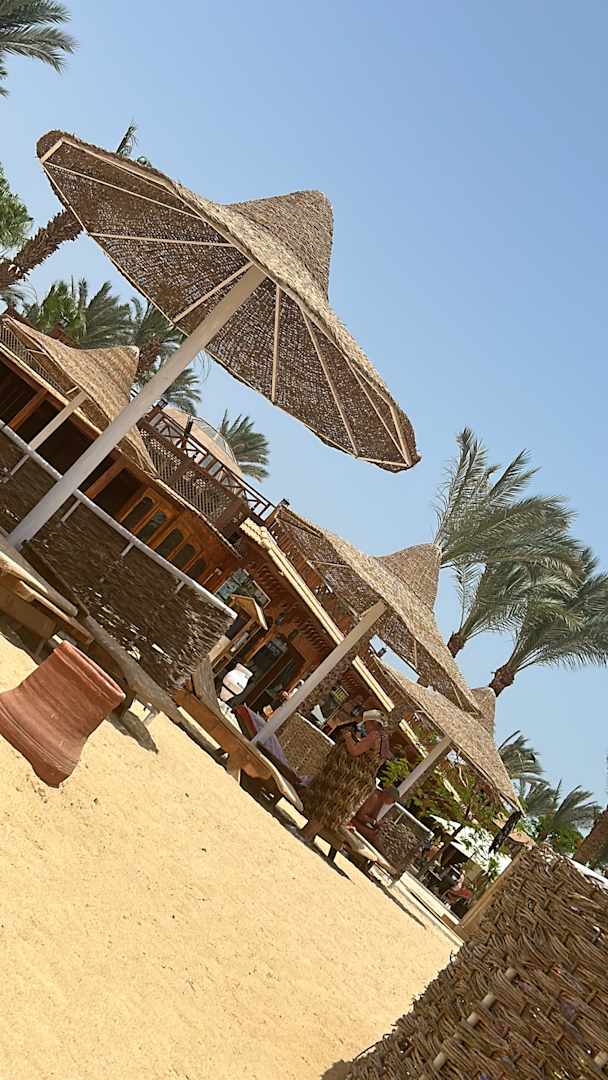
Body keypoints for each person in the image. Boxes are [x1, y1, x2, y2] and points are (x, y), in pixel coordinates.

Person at [300, 710, 391, 843]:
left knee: (328, 804)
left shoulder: (374, 735)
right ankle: (308, 833)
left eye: (366, 723)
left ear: (373, 723)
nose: (365, 727)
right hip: (362, 782)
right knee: (333, 808)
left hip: (351, 778)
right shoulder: (384, 740)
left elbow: (354, 751)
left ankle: (306, 834)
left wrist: (348, 737)